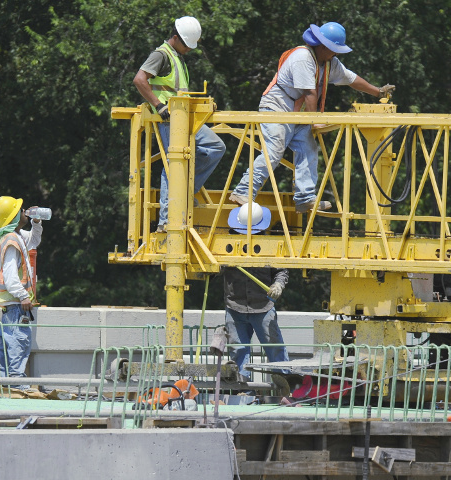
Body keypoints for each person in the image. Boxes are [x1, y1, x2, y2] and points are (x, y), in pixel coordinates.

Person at [229, 22, 395, 213]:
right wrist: (314, 120)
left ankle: (305, 198)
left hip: (296, 112)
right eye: (334, 50)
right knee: (274, 151)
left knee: (308, 148)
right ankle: (243, 192)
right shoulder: (303, 58)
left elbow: (352, 79)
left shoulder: (328, 62)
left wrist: (378, 92)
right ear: (322, 46)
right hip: (276, 107)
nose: (336, 54)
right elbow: (309, 93)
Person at [133, 16, 226, 232]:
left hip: (182, 119)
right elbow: (139, 79)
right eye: (186, 45)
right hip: (169, 120)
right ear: (175, 38)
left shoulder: (176, 57)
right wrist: (158, 105)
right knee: (172, 164)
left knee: (215, 147)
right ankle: (167, 219)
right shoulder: (161, 55)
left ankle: (183, 194)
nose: (189, 49)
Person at [223, 202, 289, 380]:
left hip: (263, 307)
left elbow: (281, 271)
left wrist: (278, 285)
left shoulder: (269, 245)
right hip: (234, 306)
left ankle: (284, 385)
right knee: (238, 350)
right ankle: (242, 389)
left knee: (275, 347)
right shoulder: (225, 244)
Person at [0, 196, 43, 390]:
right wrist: (23, 296)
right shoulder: (12, 241)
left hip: (10, 305)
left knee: (8, 343)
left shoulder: (16, 237)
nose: (24, 212)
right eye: (20, 210)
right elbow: (11, 276)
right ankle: (16, 384)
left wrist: (37, 222)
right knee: (18, 342)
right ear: (13, 217)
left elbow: (34, 240)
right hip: (15, 304)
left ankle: (7, 384)